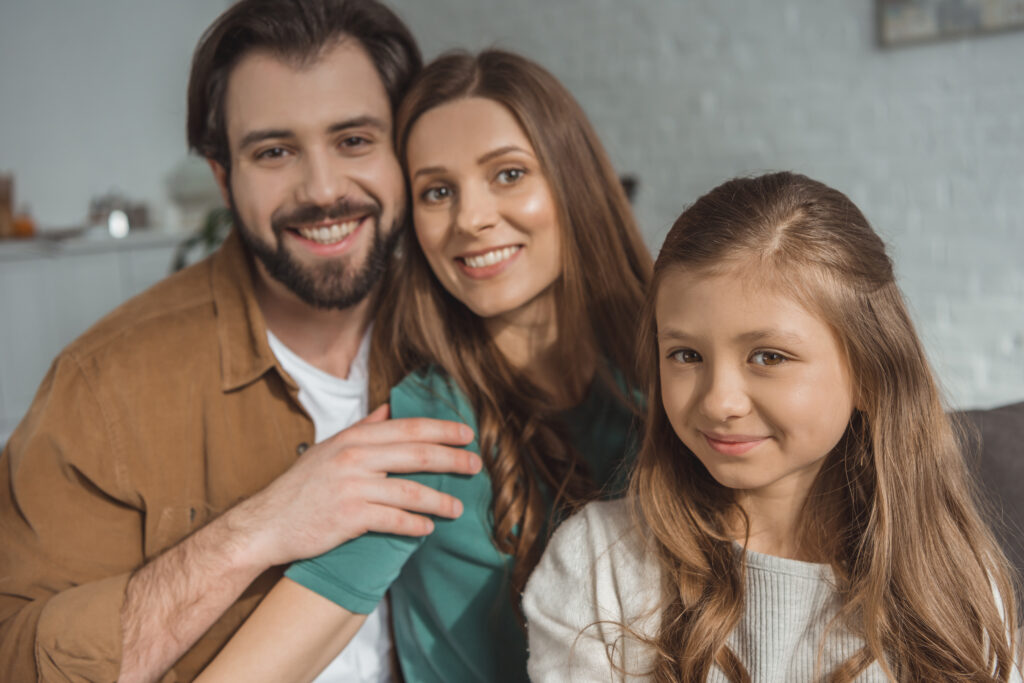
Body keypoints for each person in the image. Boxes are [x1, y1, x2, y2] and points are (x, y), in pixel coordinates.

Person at [0, 2, 485, 681]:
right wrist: (255, 530)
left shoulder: (474, 335)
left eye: (353, 140)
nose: (322, 190)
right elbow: (14, 653)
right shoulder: (102, 386)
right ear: (224, 177)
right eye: (275, 152)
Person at [195, 49, 653, 683]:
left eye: (509, 174)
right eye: (437, 192)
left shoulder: (665, 374)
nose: (471, 219)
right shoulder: (432, 428)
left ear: (572, 180)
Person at [524, 172, 1023, 682]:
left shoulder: (958, 585)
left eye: (768, 356)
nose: (719, 402)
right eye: (686, 354)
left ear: (870, 374)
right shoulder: (598, 566)